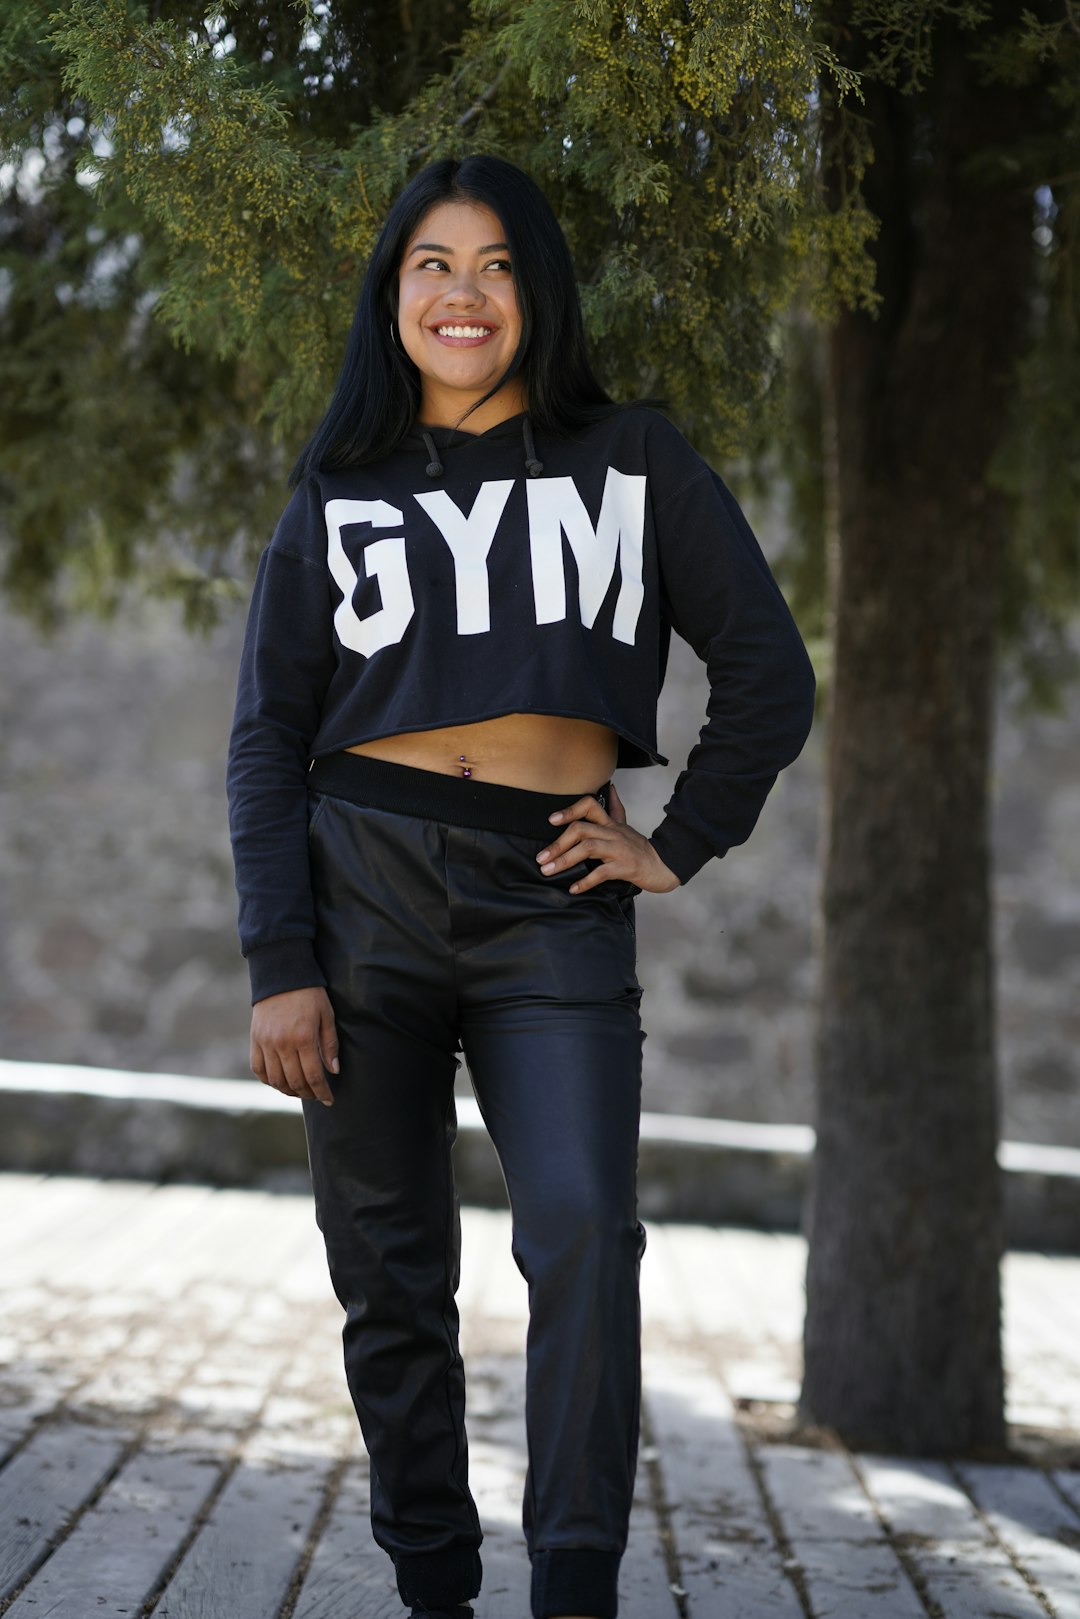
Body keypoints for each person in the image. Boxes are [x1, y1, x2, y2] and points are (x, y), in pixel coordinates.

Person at [226, 152, 816, 1619]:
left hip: (553, 896)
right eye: (432, 264)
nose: (463, 293)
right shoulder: (344, 486)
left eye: (495, 265)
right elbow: (266, 736)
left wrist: (675, 842)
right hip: (359, 883)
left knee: (582, 1233)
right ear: (393, 295)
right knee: (390, 1271)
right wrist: (277, 959)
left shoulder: (633, 458)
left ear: (536, 292)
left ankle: (572, 1589)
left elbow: (768, 673)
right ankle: (434, 1580)